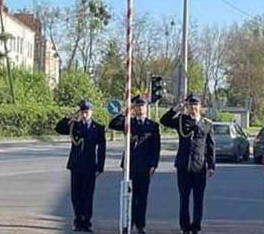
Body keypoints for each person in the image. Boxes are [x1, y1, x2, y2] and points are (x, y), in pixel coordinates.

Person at [160, 93, 216, 234]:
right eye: (190, 105)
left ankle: (196, 226)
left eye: (195, 105)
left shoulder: (207, 124)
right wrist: (177, 108)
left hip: (199, 166)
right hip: (183, 165)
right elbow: (164, 121)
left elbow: (211, 147)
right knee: (184, 198)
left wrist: (211, 165)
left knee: (198, 199)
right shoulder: (181, 120)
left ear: (200, 107)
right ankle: (185, 227)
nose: (193, 108)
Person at [109, 95, 161, 234]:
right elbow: (113, 124)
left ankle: (140, 225)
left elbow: (156, 147)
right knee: (129, 197)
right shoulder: (129, 122)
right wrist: (126, 111)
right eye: (137, 106)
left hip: (145, 167)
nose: (140, 109)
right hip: (130, 166)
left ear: (146, 108)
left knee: (142, 197)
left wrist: (153, 165)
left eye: (142, 106)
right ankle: (128, 223)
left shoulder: (153, 126)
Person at [55, 100, 107, 232]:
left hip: (90, 166)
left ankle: (87, 221)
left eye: (87, 112)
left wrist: (100, 166)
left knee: (88, 195)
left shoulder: (98, 128)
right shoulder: (75, 126)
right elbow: (59, 129)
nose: (85, 115)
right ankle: (78, 220)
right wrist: (68, 118)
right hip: (76, 165)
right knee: (76, 195)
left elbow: (102, 149)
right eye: (83, 112)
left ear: (91, 112)